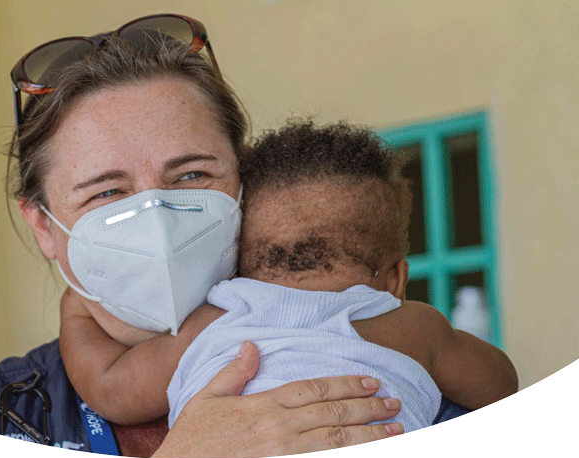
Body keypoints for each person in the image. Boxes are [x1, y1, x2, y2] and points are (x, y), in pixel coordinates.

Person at [0, 14, 471, 457]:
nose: (156, 217)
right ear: (43, 224)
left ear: (244, 184)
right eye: (106, 192)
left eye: (191, 176)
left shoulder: (398, 373)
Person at [60, 119, 518, 434]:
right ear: (397, 279)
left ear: (238, 262)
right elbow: (500, 384)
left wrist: (76, 310)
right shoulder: (414, 329)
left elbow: (110, 387)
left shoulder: (214, 322)